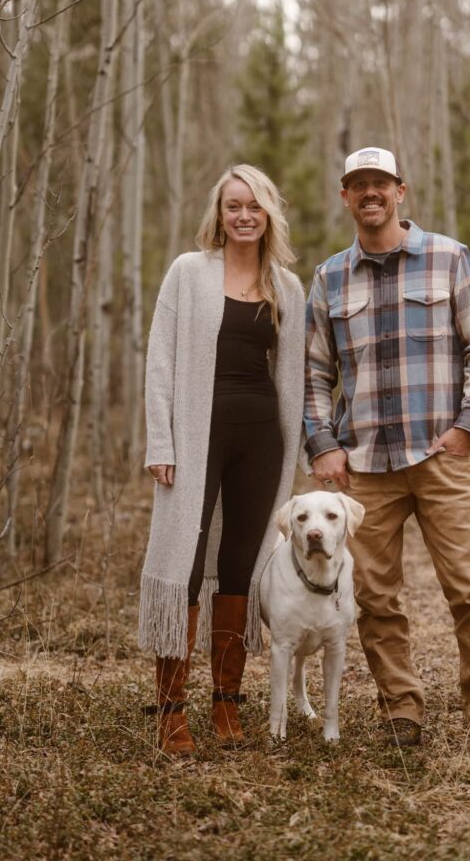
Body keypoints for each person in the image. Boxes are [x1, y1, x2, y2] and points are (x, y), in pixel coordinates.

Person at [304, 146, 470, 752]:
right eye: (358, 184)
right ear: (345, 196)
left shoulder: (449, 258)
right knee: (372, 597)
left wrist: (467, 428)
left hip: (440, 457)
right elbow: (315, 374)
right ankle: (401, 709)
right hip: (363, 466)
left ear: (401, 191)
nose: (370, 193)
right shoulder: (329, 277)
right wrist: (323, 445)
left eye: (381, 183)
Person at [139, 164, 305, 756]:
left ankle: (227, 705)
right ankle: (170, 711)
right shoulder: (188, 273)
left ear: (268, 216)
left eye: (254, 206)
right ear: (220, 213)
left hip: (261, 439)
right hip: (195, 435)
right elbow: (160, 359)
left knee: (241, 566)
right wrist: (161, 440)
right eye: (233, 205)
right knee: (183, 564)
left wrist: (303, 451)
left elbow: (293, 379)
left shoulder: (287, 287)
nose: (243, 215)